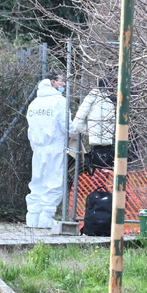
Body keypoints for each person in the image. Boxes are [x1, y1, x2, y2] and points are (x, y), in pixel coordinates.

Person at [25, 71, 67, 228]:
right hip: (55, 146)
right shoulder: (60, 102)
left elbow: (30, 129)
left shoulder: (34, 103)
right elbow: (66, 127)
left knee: (37, 182)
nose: (64, 84)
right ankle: (46, 218)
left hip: (37, 148)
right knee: (54, 182)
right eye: (62, 81)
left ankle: (32, 217)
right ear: (53, 82)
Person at [70, 77, 116, 171]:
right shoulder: (93, 99)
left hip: (108, 145)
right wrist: (93, 132)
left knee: (102, 177)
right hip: (102, 145)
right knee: (101, 177)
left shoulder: (111, 99)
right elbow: (77, 123)